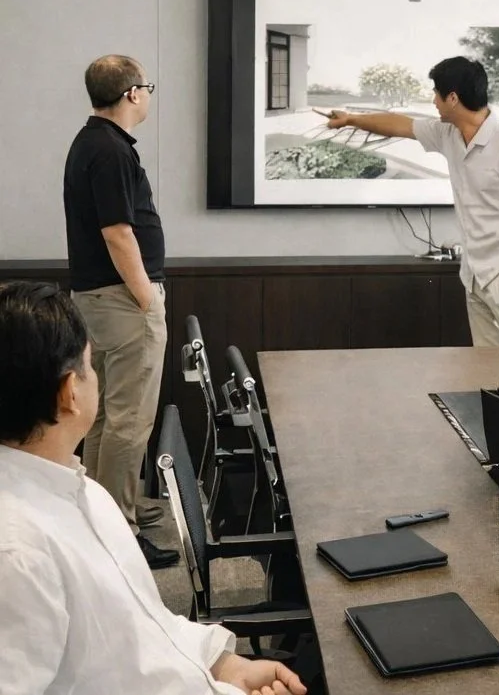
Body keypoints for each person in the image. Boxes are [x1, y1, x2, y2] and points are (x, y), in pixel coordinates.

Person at [0, 281, 308, 695]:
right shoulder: (17, 554)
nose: (97, 378)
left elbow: (145, 623)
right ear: (70, 392)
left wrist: (222, 663)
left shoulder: (80, 491)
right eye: (92, 366)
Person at [321, 56, 499, 347]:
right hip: (476, 278)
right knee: (490, 372)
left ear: (453, 98)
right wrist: (351, 119)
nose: (433, 100)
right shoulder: (448, 135)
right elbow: (400, 124)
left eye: (436, 92)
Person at [62, 54, 177, 568]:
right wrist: (146, 297)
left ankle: (104, 517)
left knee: (106, 417)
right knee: (129, 420)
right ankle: (121, 534)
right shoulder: (109, 150)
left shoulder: (92, 142)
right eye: (146, 87)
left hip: (100, 300)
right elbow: (117, 232)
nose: (148, 95)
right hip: (123, 300)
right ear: (132, 93)